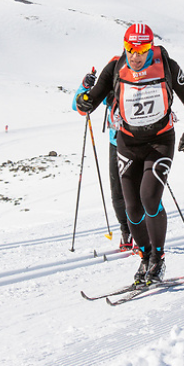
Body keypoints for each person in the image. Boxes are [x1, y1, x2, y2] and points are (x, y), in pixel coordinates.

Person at [76, 23, 184, 285]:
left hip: (160, 141)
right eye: (130, 48)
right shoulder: (115, 66)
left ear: (150, 47)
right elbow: (90, 102)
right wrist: (82, 101)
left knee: (149, 198)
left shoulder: (167, 65)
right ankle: (144, 257)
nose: (135, 55)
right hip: (128, 143)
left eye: (141, 49)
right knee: (132, 208)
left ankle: (158, 258)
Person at [72, 68, 133, 251]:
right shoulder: (110, 91)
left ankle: (143, 233)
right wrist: (85, 86)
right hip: (116, 145)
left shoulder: (140, 87)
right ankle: (126, 231)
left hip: (139, 144)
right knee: (118, 194)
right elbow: (80, 107)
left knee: (138, 192)